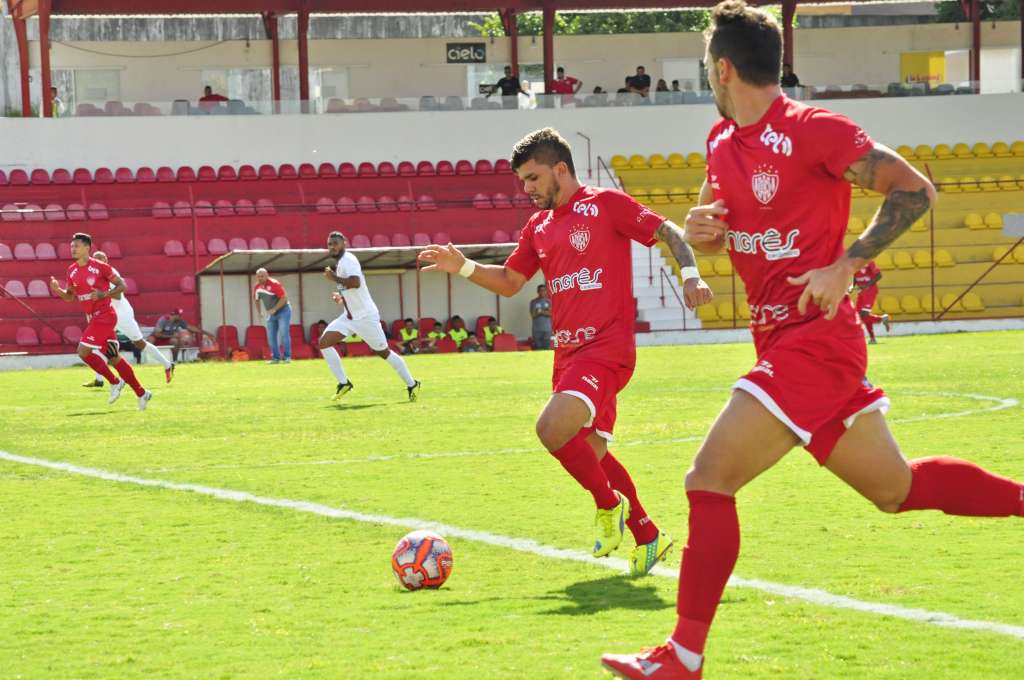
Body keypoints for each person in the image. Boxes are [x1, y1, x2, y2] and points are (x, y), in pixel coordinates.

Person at [600, 3, 1024, 677]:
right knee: (896, 489)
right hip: (777, 341)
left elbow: (916, 190)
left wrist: (847, 262)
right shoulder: (720, 142)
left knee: (708, 479)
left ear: (723, 67)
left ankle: (681, 657)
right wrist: (703, 228)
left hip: (816, 339)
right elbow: (711, 220)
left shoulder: (813, 129)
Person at [419, 127, 713, 577]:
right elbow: (512, 282)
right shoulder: (538, 227)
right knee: (591, 451)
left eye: (534, 178)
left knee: (550, 427)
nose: (528, 190)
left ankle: (606, 506)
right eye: (523, 182)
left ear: (561, 169)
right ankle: (648, 535)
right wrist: (464, 267)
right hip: (569, 356)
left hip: (607, 349)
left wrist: (690, 273)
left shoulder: (606, 204)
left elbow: (668, 231)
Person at [49, 232, 153, 410]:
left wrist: (104, 294)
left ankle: (114, 382)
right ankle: (143, 393)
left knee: (83, 351)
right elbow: (69, 297)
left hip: (105, 315)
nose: (73, 249)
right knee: (114, 358)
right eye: (72, 246)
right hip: (93, 318)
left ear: (87, 248)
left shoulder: (101, 267)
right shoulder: (71, 270)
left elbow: (122, 286)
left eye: (77, 246)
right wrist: (57, 290)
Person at [319, 232, 420, 401]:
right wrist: (341, 299)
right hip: (349, 317)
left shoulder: (348, 260)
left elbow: (355, 282)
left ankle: (412, 384)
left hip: (366, 318)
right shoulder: (342, 262)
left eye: (335, 243)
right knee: (324, 343)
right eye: (329, 244)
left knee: (384, 353)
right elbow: (352, 290)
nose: (332, 247)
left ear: (344, 243)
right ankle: (344, 383)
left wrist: (333, 277)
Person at [81, 251, 175, 387]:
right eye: (96, 260)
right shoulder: (94, 276)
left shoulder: (111, 273)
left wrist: (102, 294)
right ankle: (99, 379)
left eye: (101, 259)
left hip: (122, 314)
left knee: (139, 343)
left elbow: (118, 295)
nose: (98, 262)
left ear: (106, 260)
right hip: (108, 314)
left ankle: (167, 364)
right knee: (101, 343)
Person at [253, 267, 291, 363]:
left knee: (283, 333)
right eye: (258, 277)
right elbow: (256, 299)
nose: (260, 278)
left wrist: (275, 309)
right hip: (271, 313)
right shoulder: (257, 287)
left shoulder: (274, 284)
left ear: (267, 276)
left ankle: (287, 357)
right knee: (271, 336)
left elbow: (284, 298)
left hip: (284, 310)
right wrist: (259, 312)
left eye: (262, 276)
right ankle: (275, 358)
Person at [149, 308, 213, 363]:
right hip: (158, 337)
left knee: (175, 341)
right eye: (179, 315)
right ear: (174, 315)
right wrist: (172, 336)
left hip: (168, 338)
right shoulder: (164, 320)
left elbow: (190, 327)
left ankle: (174, 360)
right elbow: (157, 334)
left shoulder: (179, 321)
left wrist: (205, 333)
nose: (181, 317)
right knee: (150, 340)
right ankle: (148, 360)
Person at [853, 260, 891, 344]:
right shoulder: (854, 263)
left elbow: (879, 275)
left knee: (863, 314)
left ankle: (879, 323)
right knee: (860, 316)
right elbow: (855, 277)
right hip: (861, 291)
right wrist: (852, 287)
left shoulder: (869, 262)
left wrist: (867, 285)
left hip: (870, 290)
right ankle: (873, 338)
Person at [529, 284, 552, 350]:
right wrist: (545, 312)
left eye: (544, 290)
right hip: (536, 330)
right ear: (538, 292)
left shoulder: (549, 301)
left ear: (546, 291)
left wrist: (540, 311)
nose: (542, 292)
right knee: (538, 348)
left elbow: (551, 314)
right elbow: (533, 315)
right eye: (540, 290)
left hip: (547, 330)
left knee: (547, 348)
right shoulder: (533, 302)